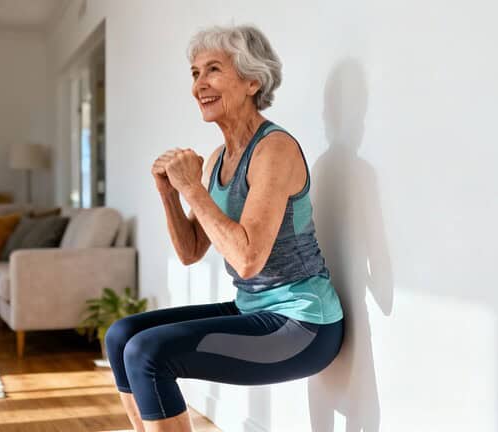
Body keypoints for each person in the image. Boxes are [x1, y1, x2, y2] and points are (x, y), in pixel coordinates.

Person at [105, 24, 345, 432]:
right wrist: (169, 193)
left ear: (252, 80)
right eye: (195, 73)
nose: (200, 84)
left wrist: (192, 187)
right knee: (122, 333)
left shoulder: (275, 150)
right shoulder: (219, 157)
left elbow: (248, 260)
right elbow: (190, 252)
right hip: (254, 309)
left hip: (303, 324)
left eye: (213, 70)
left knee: (148, 351)